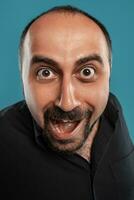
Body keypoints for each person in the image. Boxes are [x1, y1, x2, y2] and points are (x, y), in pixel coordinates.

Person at [0, 5, 134, 200]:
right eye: (45, 73)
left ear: (108, 74)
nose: (67, 103)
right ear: (22, 77)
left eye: (87, 72)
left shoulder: (113, 111)